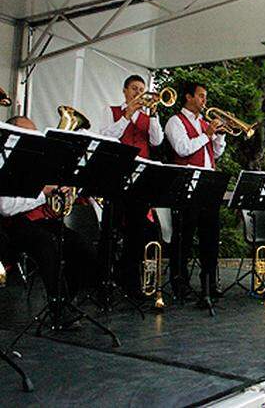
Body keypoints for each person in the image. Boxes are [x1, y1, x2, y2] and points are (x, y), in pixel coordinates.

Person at [0, 117, 99, 313]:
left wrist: (66, 190)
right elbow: (5, 207)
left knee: (81, 246)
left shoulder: (39, 162)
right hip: (12, 223)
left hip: (41, 220)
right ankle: (58, 309)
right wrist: (43, 193)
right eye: (28, 135)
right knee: (46, 245)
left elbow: (56, 195)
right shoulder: (4, 161)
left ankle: (68, 299)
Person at [100, 74, 162, 297]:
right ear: (125, 91)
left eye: (141, 89)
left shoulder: (147, 117)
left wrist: (153, 114)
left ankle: (130, 280)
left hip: (141, 178)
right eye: (134, 89)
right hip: (117, 175)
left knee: (137, 231)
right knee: (111, 227)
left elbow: (156, 140)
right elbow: (106, 137)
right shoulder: (112, 111)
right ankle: (104, 279)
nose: (138, 93)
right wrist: (126, 116)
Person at [164, 81, 226, 300]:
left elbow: (215, 154)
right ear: (188, 97)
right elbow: (182, 149)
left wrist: (219, 136)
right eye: (200, 96)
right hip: (186, 184)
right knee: (184, 237)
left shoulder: (204, 123)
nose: (204, 101)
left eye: (205, 96)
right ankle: (179, 284)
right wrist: (207, 134)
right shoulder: (175, 121)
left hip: (208, 184)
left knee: (210, 236)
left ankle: (208, 283)